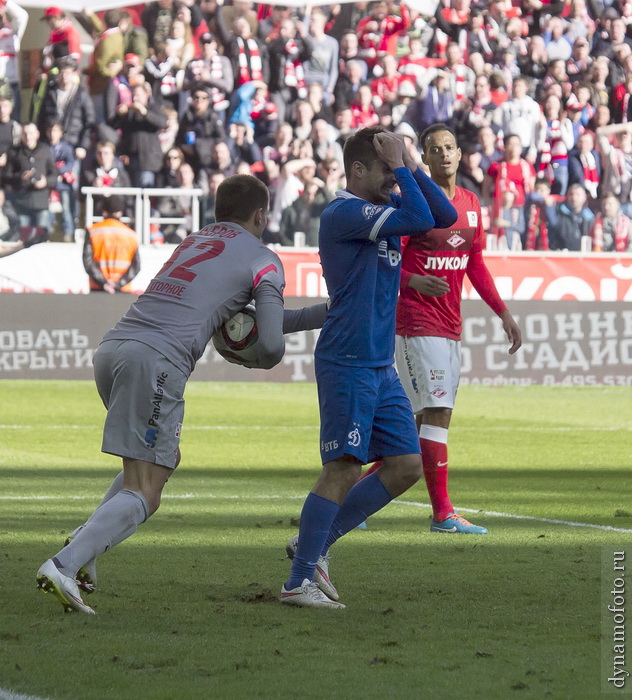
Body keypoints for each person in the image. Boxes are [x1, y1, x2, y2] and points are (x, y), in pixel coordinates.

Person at [36, 174, 329, 615]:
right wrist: (250, 359)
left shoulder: (194, 242)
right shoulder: (264, 258)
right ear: (261, 215)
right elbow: (267, 344)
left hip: (114, 350)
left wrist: (327, 313)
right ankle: (64, 564)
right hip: (156, 362)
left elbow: (233, 318)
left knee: (160, 461)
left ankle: (84, 553)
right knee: (146, 490)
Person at [281, 127, 457, 609]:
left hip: (379, 364)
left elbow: (446, 214)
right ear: (357, 169)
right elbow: (422, 214)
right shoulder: (344, 212)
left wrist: (408, 165)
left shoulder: (378, 210)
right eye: (384, 169)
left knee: (404, 465)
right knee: (342, 467)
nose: (392, 181)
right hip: (348, 360)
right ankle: (298, 582)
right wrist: (404, 165)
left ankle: (313, 546)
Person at [361, 124, 521, 535]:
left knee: (415, 428)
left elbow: (475, 264)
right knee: (437, 413)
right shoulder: (415, 208)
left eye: (450, 147)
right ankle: (442, 514)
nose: (445, 154)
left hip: (450, 326)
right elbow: (382, 262)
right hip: (415, 322)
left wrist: (502, 312)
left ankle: (350, 494)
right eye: (436, 149)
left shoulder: (470, 203)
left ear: (459, 154)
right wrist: (412, 282)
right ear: (425, 160)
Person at [83, 195, 140, 294]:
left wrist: (104, 283)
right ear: (120, 212)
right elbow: (136, 266)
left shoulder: (93, 231)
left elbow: (88, 262)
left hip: (98, 289)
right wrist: (118, 284)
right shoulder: (131, 234)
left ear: (104, 211)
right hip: (123, 290)